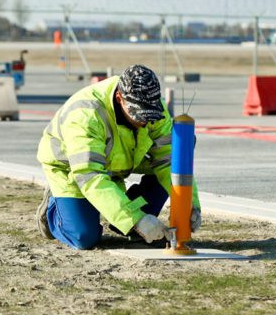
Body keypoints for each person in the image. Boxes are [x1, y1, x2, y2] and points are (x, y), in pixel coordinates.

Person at [36, 64, 201, 249]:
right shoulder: (85, 115)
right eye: (138, 116)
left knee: (181, 148)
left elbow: (168, 159)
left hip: (120, 160)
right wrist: (137, 220)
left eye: (149, 117)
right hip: (73, 168)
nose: (144, 122)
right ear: (119, 98)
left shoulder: (152, 104)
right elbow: (90, 176)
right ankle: (54, 211)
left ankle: (128, 222)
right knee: (84, 237)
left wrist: (189, 202)